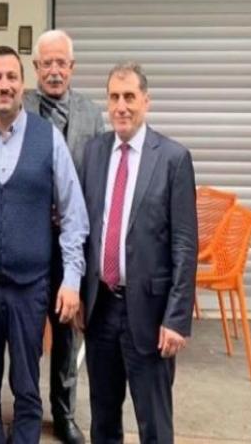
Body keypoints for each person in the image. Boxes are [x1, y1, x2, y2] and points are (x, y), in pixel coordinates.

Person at [0, 45, 89, 444]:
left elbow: (74, 214)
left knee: (27, 387)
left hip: (30, 287)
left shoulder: (49, 139)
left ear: (22, 83)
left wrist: (72, 279)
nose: (4, 85)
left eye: (11, 77)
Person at [77, 62, 197, 443]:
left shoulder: (173, 159)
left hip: (150, 314)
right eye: (114, 97)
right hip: (101, 310)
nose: (121, 106)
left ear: (146, 101)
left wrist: (177, 318)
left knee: (154, 425)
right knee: (103, 422)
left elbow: (185, 244)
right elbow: (85, 230)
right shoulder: (94, 152)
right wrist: (79, 293)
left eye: (129, 97)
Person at [23, 29, 105, 444]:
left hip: (73, 241)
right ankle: (27, 407)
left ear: (72, 67)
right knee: (26, 328)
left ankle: (64, 411)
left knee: (68, 328)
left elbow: (98, 175)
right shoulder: (19, 107)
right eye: (47, 63)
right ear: (35, 67)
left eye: (61, 63)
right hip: (29, 240)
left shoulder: (92, 114)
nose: (54, 71)